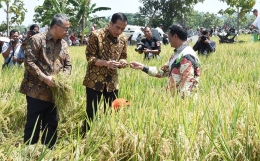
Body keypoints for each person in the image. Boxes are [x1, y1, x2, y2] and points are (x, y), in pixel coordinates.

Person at [19, 14, 72, 149]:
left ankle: (49, 152)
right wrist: (45, 78)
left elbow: (68, 65)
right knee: (34, 123)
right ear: (55, 26)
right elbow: (29, 62)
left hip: (55, 91)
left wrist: (62, 78)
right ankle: (29, 152)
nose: (67, 32)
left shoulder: (64, 44)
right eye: (66, 29)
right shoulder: (37, 40)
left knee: (52, 123)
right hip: (36, 91)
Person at [82, 12, 128, 134]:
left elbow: (123, 56)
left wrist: (122, 62)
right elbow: (90, 58)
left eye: (122, 29)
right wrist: (107, 63)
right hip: (95, 80)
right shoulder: (96, 35)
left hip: (112, 82)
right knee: (91, 113)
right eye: (117, 27)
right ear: (110, 23)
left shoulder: (123, 38)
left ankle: (108, 136)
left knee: (113, 112)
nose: (119, 31)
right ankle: (85, 138)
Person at [130, 24, 200, 98]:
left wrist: (178, 107)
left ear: (175, 36)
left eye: (169, 36)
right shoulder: (178, 54)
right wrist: (142, 67)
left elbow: (187, 89)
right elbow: (163, 72)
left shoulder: (186, 56)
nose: (168, 39)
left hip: (181, 103)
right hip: (174, 101)